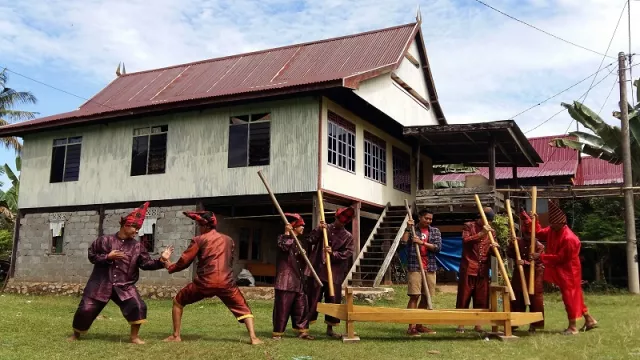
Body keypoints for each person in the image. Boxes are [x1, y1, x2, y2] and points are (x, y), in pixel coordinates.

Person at [69, 202, 173, 344]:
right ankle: (76, 335)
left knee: (138, 306)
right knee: (85, 309)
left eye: (139, 228)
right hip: (100, 283)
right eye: (135, 227)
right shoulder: (104, 241)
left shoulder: (137, 247)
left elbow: (146, 264)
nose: (137, 231)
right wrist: (107, 257)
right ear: (125, 225)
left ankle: (134, 337)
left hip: (124, 285)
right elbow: (92, 256)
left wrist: (161, 260)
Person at [162, 211, 262, 345]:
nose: (198, 228)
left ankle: (176, 336)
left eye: (198, 225)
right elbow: (230, 260)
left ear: (203, 226)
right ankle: (254, 338)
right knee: (243, 307)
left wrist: (169, 266)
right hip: (226, 282)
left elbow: (185, 261)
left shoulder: (199, 239)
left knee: (178, 301)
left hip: (205, 283)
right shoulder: (229, 240)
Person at [529, 200, 598, 335]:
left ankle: (572, 327)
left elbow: (561, 258)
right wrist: (534, 220)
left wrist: (540, 256)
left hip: (570, 271)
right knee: (575, 296)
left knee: (570, 297)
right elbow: (538, 232)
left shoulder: (570, 239)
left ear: (561, 223)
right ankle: (589, 320)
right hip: (560, 270)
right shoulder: (553, 230)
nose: (550, 226)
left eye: (553, 224)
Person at [304, 206, 355, 339]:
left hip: (334, 273)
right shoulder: (325, 228)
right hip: (318, 270)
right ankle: (304, 328)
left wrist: (334, 253)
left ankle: (330, 328)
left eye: (343, 222)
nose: (341, 223)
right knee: (312, 299)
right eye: (339, 220)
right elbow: (310, 240)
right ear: (336, 218)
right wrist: (318, 229)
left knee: (333, 300)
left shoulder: (348, 236)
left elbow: (348, 253)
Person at [455, 207, 498, 334]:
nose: (488, 223)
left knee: (482, 297)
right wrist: (480, 234)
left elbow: (492, 251)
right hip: (469, 266)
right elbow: (465, 240)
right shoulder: (469, 226)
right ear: (480, 218)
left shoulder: (492, 232)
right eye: (487, 220)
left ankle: (478, 325)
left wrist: (495, 248)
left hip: (483, 269)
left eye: (490, 221)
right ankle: (461, 324)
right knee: (464, 296)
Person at [272, 213, 314, 340]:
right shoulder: (282, 238)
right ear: (294, 227)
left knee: (301, 306)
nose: (303, 228)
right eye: (301, 226)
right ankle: (278, 333)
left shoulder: (299, 243)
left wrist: (303, 255)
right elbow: (284, 247)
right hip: (285, 280)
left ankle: (302, 331)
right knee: (282, 308)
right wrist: (287, 233)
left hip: (298, 279)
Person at [400, 209, 442, 336]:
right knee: (414, 295)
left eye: (430, 219)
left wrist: (421, 242)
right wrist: (408, 228)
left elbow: (437, 248)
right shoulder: (413, 230)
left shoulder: (435, 231)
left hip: (429, 267)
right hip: (415, 267)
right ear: (420, 217)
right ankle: (411, 326)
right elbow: (403, 243)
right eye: (426, 218)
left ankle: (419, 325)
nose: (428, 221)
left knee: (425, 296)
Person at [506, 209, 545, 332]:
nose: (528, 236)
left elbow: (540, 259)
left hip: (534, 276)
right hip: (519, 275)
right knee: (517, 299)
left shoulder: (539, 245)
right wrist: (512, 245)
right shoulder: (518, 242)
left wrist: (526, 262)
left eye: (530, 234)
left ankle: (535, 324)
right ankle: (514, 323)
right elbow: (510, 253)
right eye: (526, 234)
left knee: (535, 300)